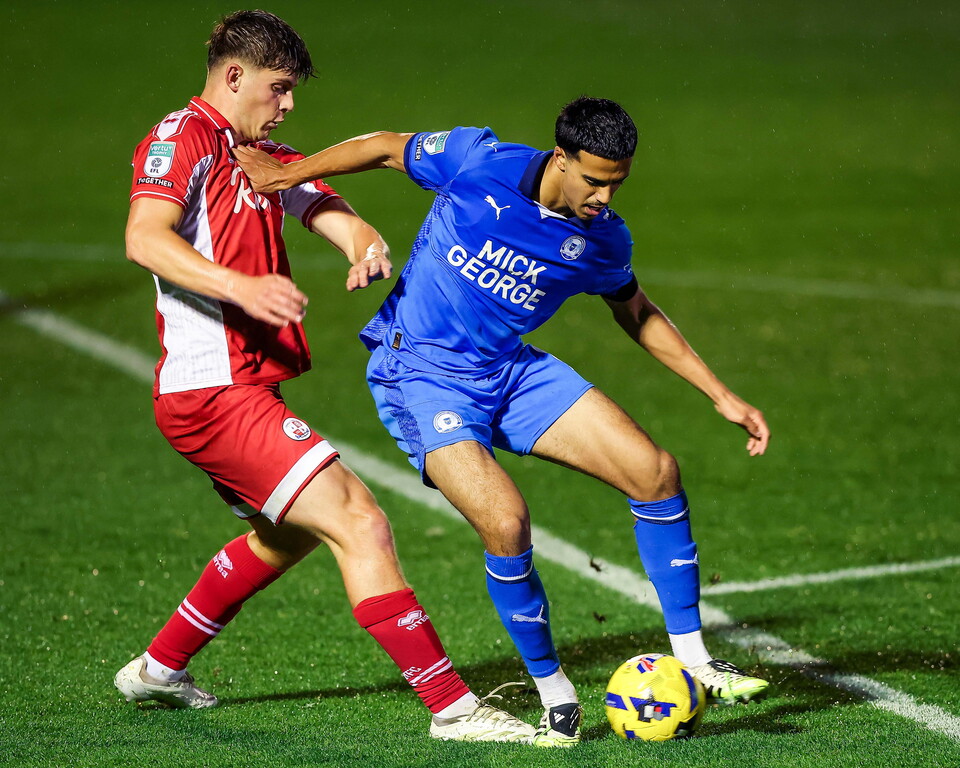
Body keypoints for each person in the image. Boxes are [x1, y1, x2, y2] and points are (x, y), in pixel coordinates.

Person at [234, 96, 772, 748]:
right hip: (420, 374)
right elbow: (383, 145)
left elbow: (636, 311)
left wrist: (719, 393)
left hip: (511, 371)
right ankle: (554, 693)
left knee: (655, 472)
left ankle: (693, 658)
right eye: (595, 179)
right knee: (506, 519)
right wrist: (285, 174)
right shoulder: (477, 162)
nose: (604, 196)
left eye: (617, 182)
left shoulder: (603, 238)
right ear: (562, 157)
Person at [113, 9, 537, 744]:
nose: (288, 104)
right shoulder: (180, 139)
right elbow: (143, 237)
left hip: (243, 388)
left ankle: (157, 668)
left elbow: (322, 205)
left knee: (286, 536)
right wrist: (238, 287)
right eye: (278, 89)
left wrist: (362, 242)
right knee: (359, 520)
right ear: (234, 76)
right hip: (214, 393)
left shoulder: (258, 153)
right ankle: (455, 711)